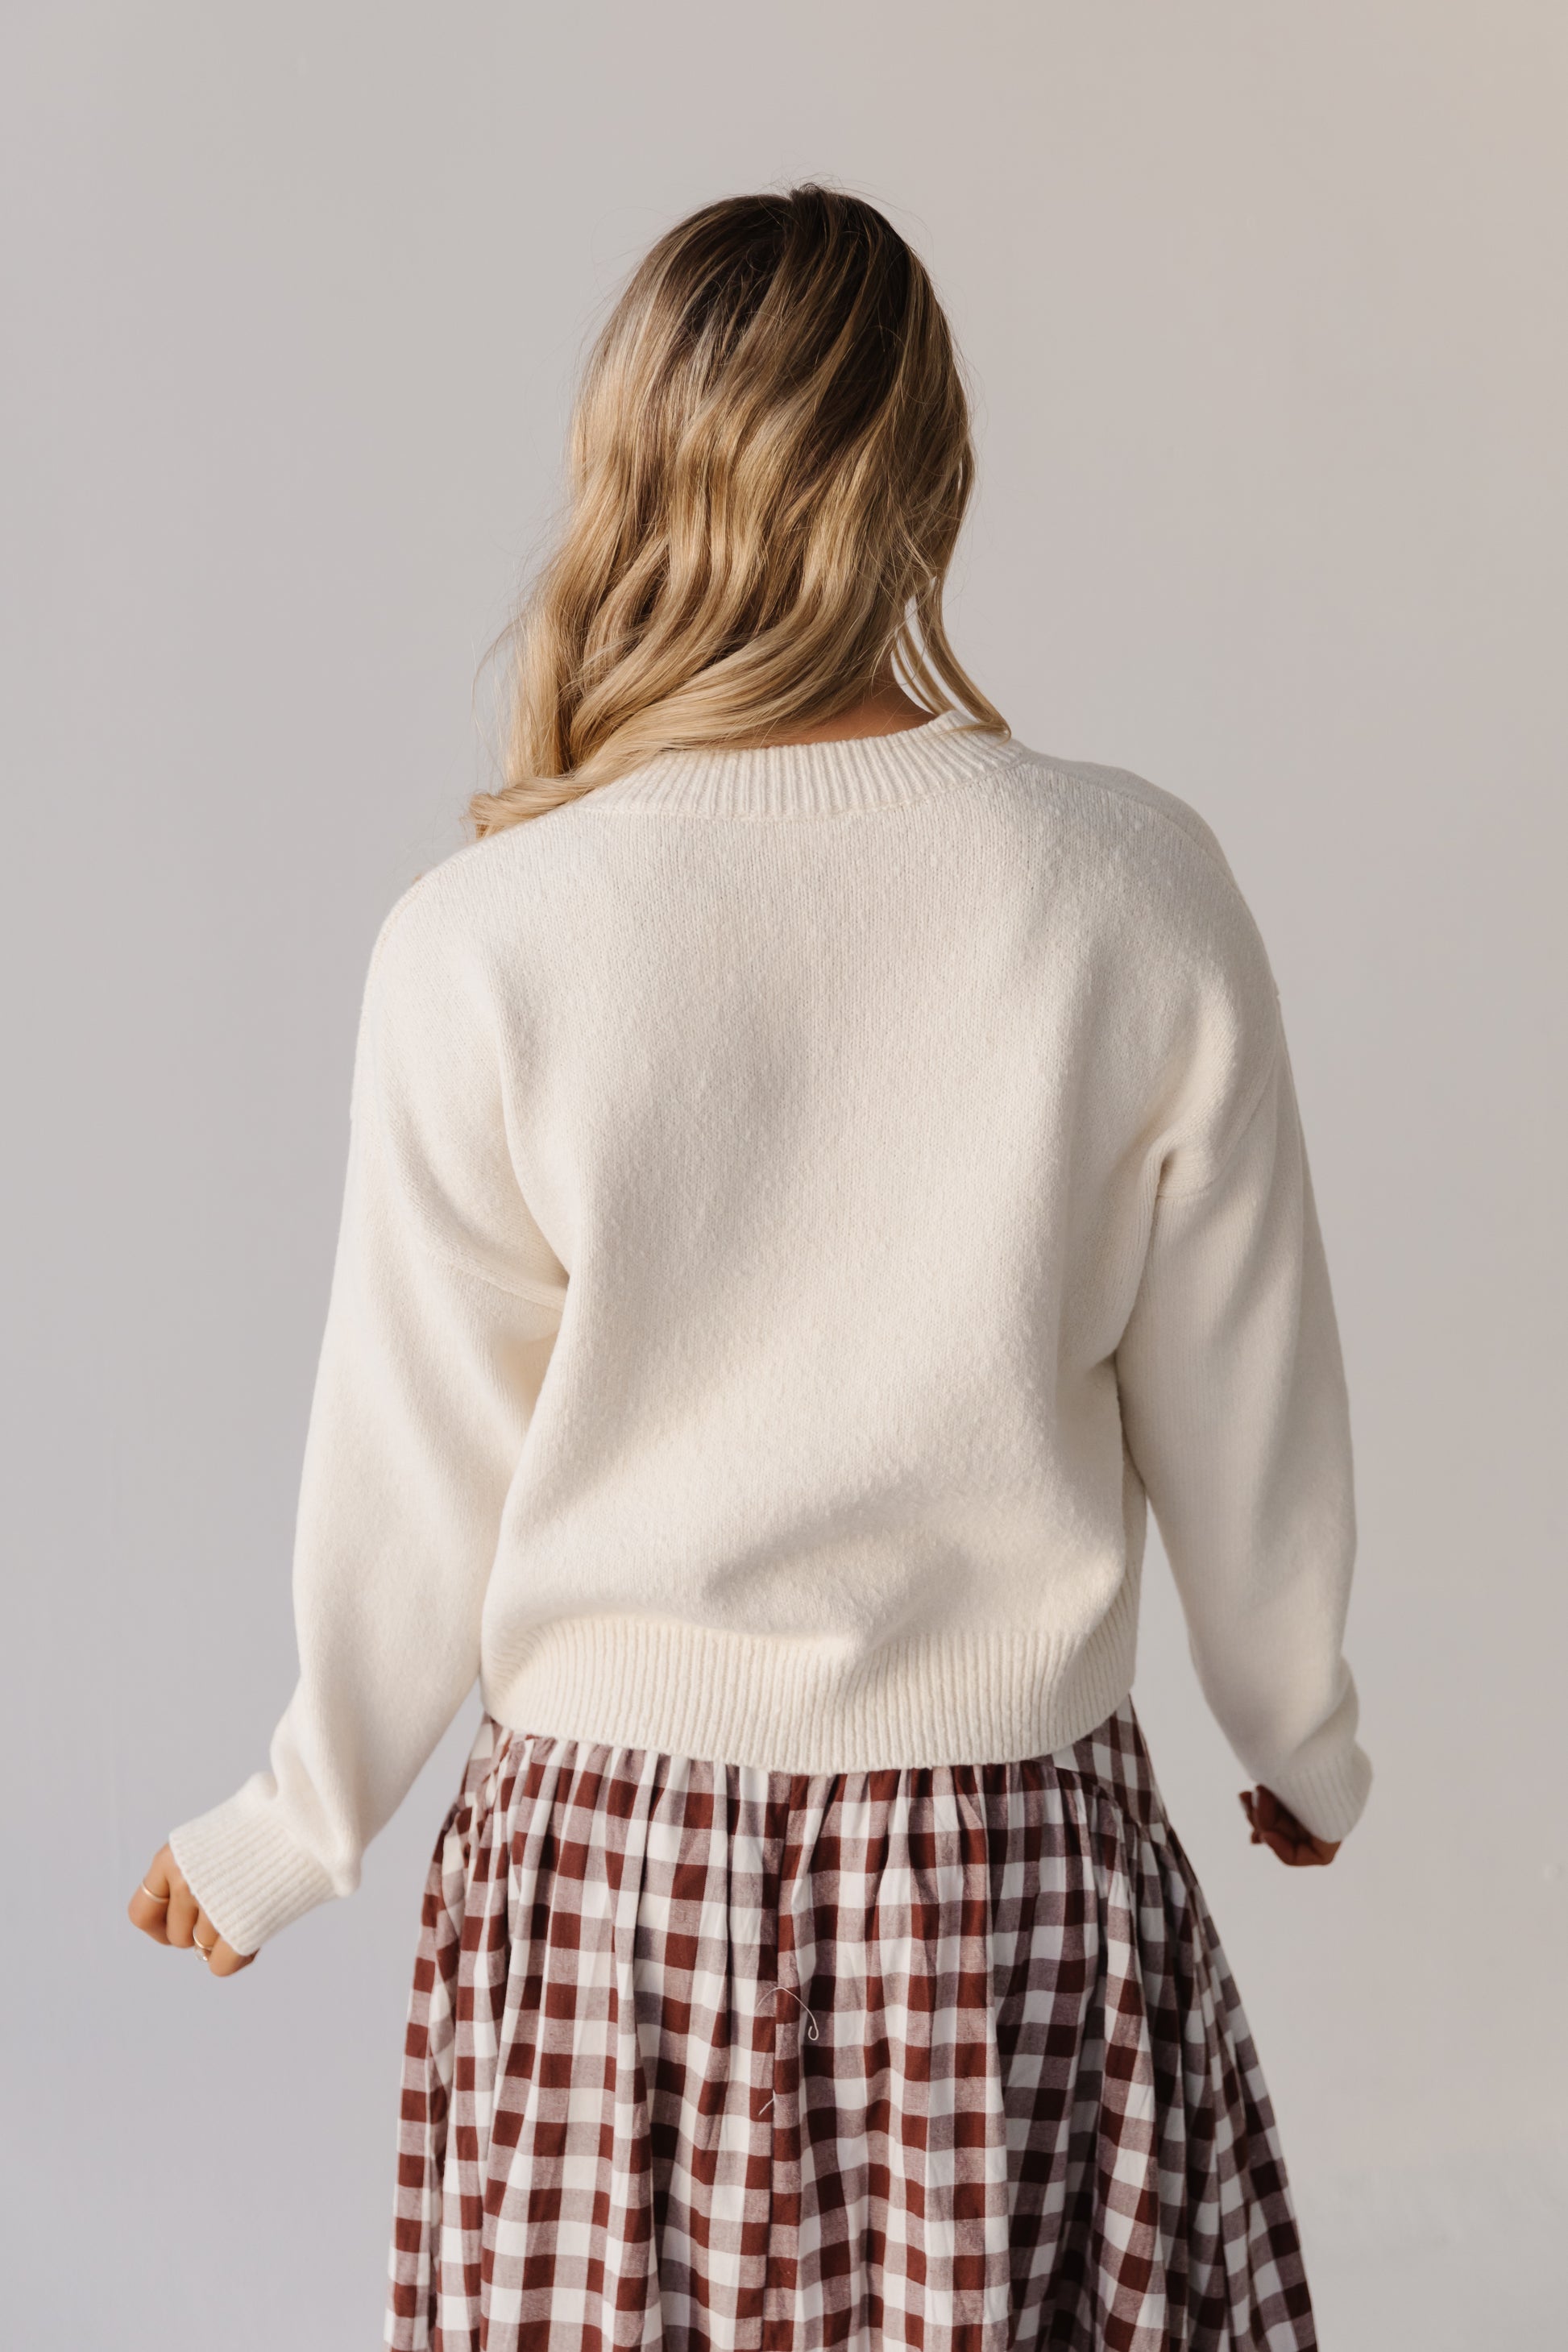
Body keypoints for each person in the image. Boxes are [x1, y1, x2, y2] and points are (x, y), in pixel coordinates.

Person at [128, 185, 1369, 2351]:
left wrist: (298, 1820)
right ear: (936, 476)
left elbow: (416, 1452)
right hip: (1008, 1870)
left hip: (600, 1889)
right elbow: (1239, 1390)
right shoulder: (1132, 886)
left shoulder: (484, 939)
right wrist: (1297, 1728)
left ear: (625, 471)